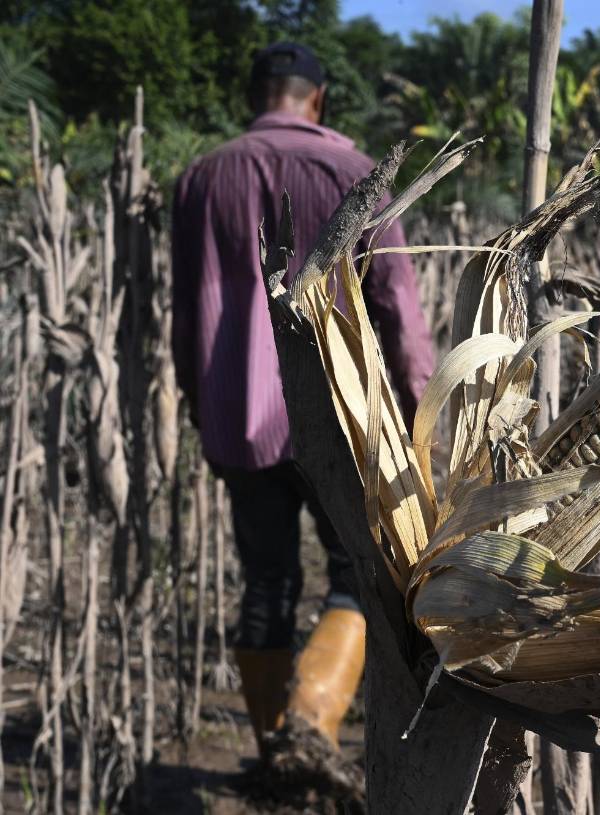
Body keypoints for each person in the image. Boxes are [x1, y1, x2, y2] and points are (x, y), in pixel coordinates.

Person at [171, 42, 434, 766]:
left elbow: (185, 314)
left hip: (239, 418)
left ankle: (270, 749)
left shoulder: (202, 176)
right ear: (318, 99)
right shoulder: (354, 173)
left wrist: (201, 406)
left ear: (254, 94)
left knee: (267, 581)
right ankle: (313, 726)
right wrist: (422, 417)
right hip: (339, 419)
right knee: (356, 573)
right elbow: (400, 313)